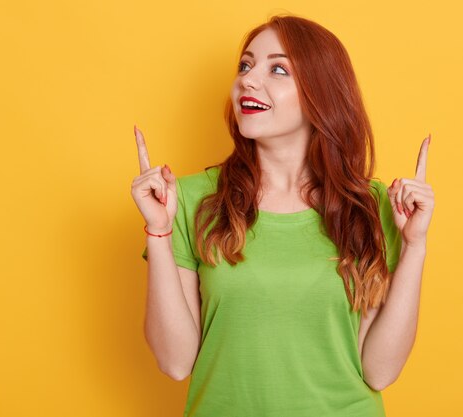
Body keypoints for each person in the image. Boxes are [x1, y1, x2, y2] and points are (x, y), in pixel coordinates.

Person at [130, 14, 434, 417]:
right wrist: (159, 231)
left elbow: (379, 371)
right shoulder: (188, 200)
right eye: (245, 65)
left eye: (277, 68)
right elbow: (175, 362)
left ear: (320, 94)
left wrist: (414, 245)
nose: (248, 80)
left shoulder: (373, 206)